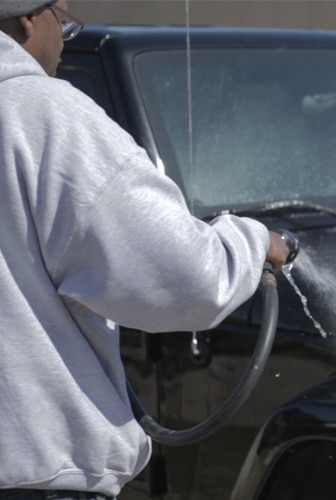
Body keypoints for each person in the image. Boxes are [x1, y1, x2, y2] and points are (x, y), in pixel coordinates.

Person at [0, 1, 291, 498]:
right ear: (27, 17)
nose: (65, 37)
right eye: (63, 20)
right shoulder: (38, 113)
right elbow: (187, 279)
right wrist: (255, 242)